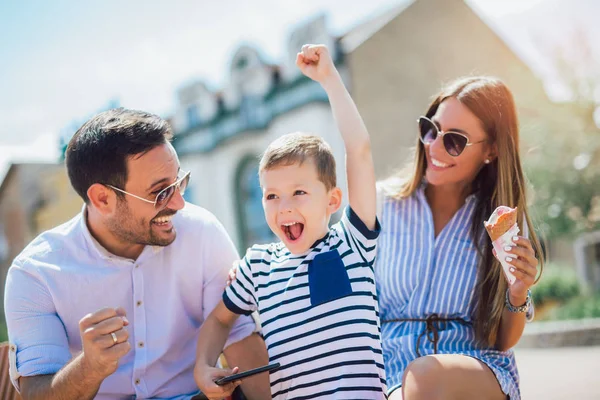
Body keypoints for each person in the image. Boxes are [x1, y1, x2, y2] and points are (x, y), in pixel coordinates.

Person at [4, 108, 270, 400]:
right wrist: (90, 368)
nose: (179, 203)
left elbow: (239, 336)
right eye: (161, 192)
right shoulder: (35, 274)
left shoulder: (202, 232)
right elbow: (36, 394)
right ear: (102, 198)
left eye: (178, 182)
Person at [193, 44, 387, 400]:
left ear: (332, 201)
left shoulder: (352, 244)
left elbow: (358, 149)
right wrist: (203, 365)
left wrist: (329, 80)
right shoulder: (257, 266)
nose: (283, 206)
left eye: (299, 192)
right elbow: (219, 319)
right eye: (270, 196)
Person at [375, 76, 543, 399]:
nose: (434, 147)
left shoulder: (504, 222)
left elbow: (504, 340)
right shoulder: (382, 205)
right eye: (430, 129)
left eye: (454, 140)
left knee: (423, 377)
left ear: (491, 151)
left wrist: (518, 292)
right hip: (389, 366)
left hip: (472, 367)